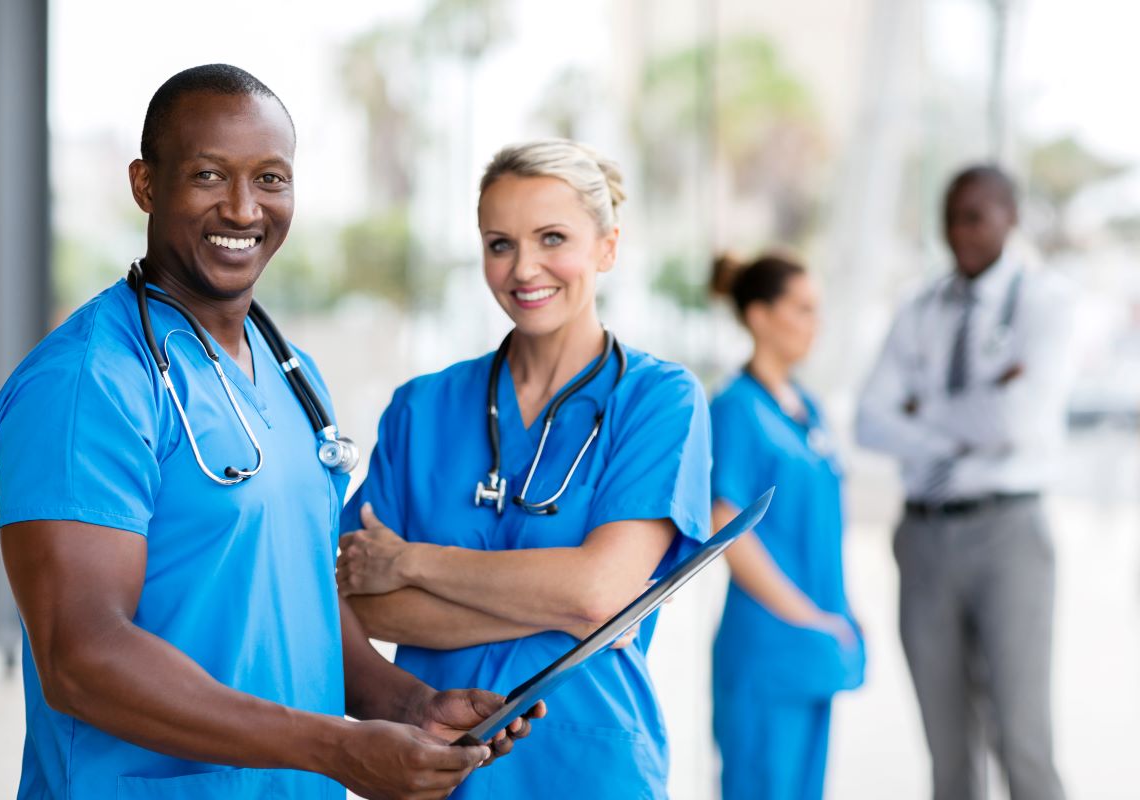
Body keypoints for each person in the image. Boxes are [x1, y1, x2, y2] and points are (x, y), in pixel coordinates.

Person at [0, 64, 539, 800]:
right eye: (209, 176)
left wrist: (401, 703)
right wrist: (336, 746)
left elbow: (296, 588)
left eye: (271, 179)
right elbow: (81, 656)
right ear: (146, 185)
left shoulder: (291, 372)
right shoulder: (89, 383)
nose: (243, 208)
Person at [333, 138, 713, 799]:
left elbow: (598, 590)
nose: (523, 268)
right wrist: (577, 614)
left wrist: (414, 562)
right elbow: (359, 604)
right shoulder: (421, 409)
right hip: (439, 763)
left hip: (589, 764)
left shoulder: (657, 399)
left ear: (607, 247)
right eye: (499, 243)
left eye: (553, 238)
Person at [856, 165, 1072, 800]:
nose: (959, 232)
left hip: (1007, 534)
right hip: (923, 536)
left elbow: (1017, 418)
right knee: (947, 749)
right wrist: (970, 420)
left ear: (1011, 217)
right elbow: (870, 418)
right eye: (950, 217)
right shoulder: (919, 308)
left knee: (1023, 739)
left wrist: (921, 414)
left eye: (975, 216)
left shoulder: (1044, 302)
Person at [708, 254, 865, 800]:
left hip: (815, 640)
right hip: (769, 644)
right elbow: (724, 522)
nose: (814, 324)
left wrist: (835, 614)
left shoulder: (808, 409)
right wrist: (806, 616)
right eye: (802, 309)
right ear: (758, 315)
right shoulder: (735, 409)